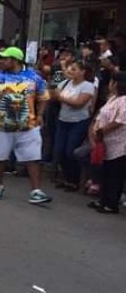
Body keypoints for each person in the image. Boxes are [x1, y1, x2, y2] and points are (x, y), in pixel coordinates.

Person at [0, 46, 52, 203]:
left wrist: (39, 115)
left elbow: (44, 96)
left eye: (5, 58)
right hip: (1, 125)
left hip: (28, 125)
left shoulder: (34, 77)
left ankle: (36, 191)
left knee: (33, 158)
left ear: (15, 60)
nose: (1, 61)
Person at [53, 59, 95, 191]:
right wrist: (61, 98)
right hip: (63, 119)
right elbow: (53, 95)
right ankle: (67, 178)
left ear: (82, 72)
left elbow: (79, 103)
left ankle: (74, 179)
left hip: (79, 121)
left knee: (70, 150)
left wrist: (61, 97)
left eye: (74, 69)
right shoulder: (65, 83)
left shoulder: (88, 86)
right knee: (60, 150)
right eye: (70, 69)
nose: (70, 71)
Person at [88, 72, 126, 214]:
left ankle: (111, 204)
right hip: (105, 143)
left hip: (119, 144)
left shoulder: (124, 100)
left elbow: (118, 122)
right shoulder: (113, 98)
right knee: (105, 172)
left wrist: (101, 132)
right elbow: (101, 115)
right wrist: (95, 129)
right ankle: (103, 200)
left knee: (115, 175)